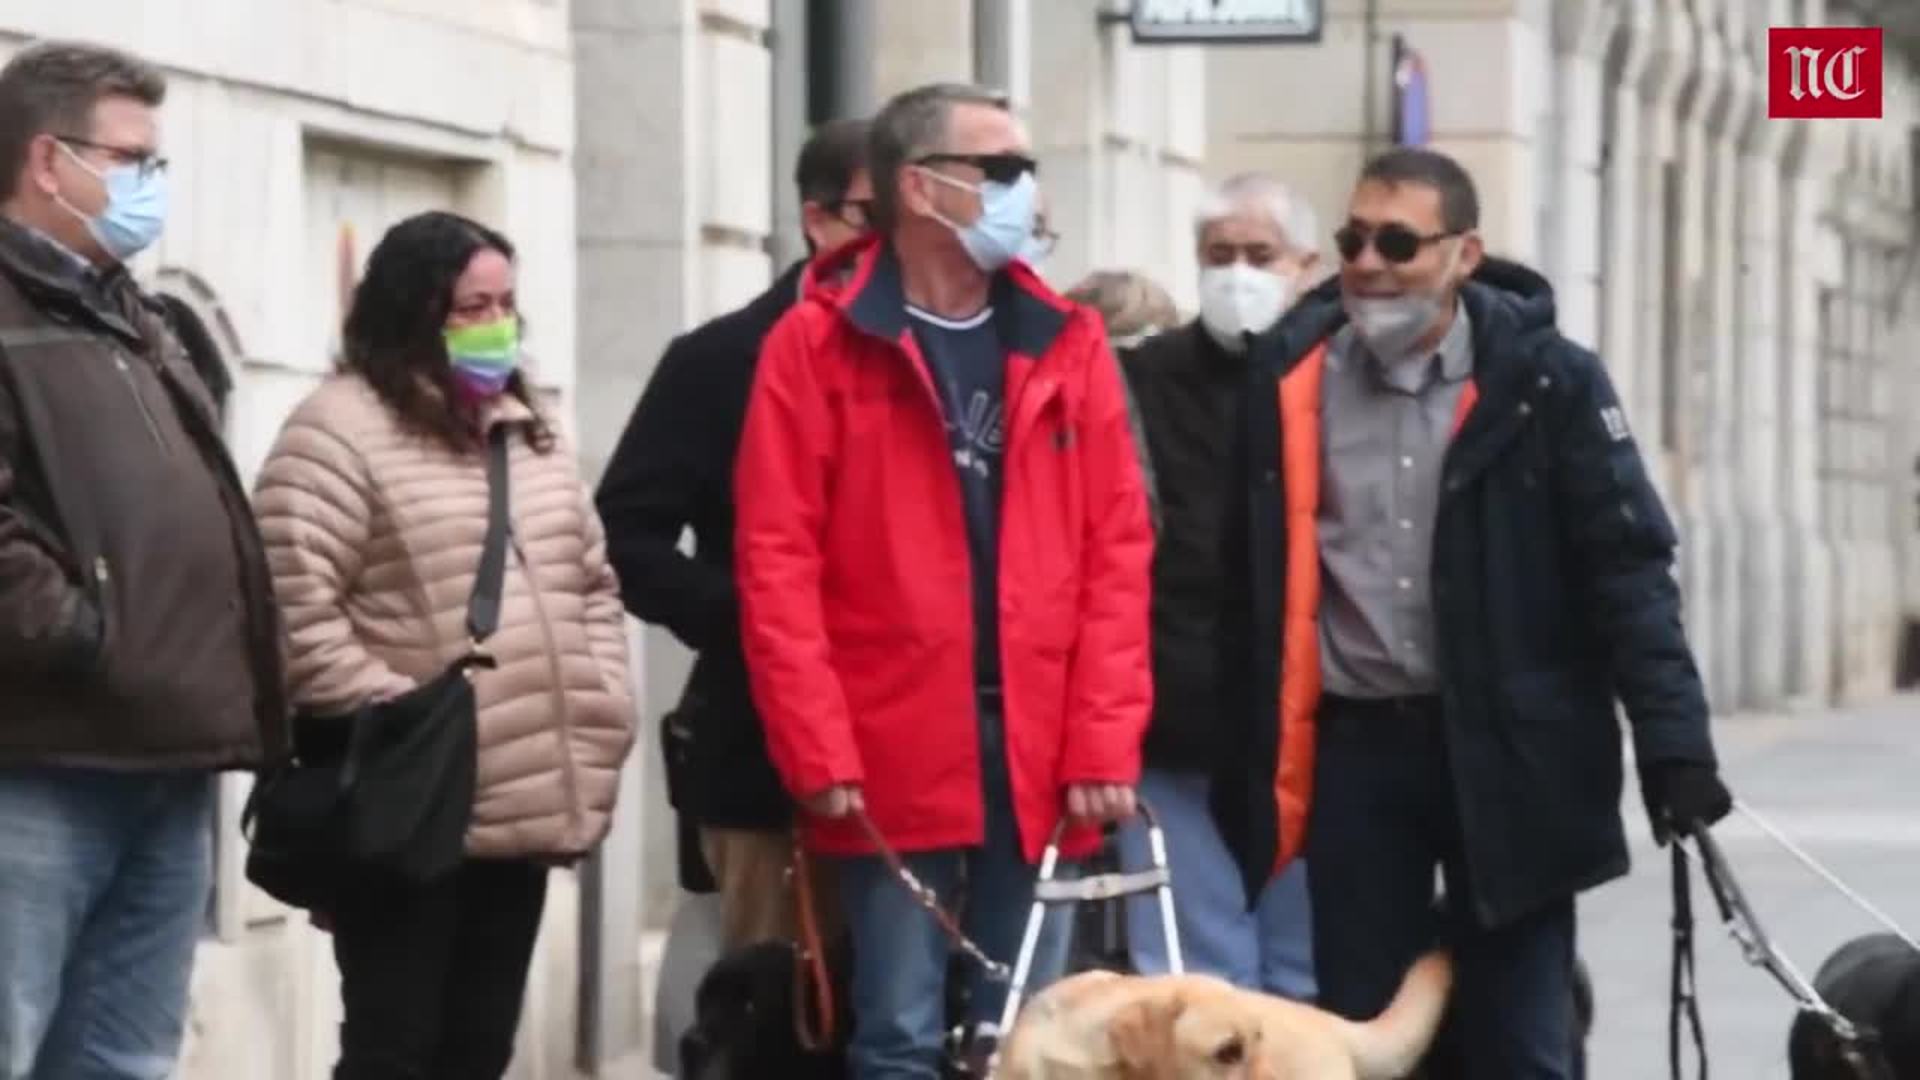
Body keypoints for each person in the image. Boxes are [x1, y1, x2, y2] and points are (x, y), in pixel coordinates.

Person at [1213, 146, 1733, 1076]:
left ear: (1464, 254)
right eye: (1353, 239)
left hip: (1510, 753)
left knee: (1521, 1038)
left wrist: (1675, 745)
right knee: (1365, 1032)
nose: (1368, 264)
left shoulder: (1550, 382)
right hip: (1357, 751)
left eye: (1400, 242)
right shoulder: (1291, 373)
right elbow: (1246, 578)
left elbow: (1627, 570)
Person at [733, 82, 1153, 1078]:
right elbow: (775, 558)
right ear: (920, 189)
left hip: (1045, 744)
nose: (1025, 190)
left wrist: (1103, 737)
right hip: (888, 740)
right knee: (897, 1036)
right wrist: (815, 744)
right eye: (1000, 169)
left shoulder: (1070, 340)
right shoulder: (816, 343)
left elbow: (1117, 552)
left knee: (1030, 1040)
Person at [252, 211, 636, 1080]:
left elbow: (592, 584)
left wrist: (603, 701)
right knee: (396, 1050)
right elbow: (287, 603)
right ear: (413, 310)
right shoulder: (338, 431)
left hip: (525, 798)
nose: (495, 323)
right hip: (411, 800)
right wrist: (398, 709)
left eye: (506, 303)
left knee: (478, 1049)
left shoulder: (525, 428)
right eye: (471, 305)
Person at [0, 40, 288, 1078]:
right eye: (130, 158)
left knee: (126, 1059)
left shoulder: (138, 318)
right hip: (40, 766)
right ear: (47, 161)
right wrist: (94, 642)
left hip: (164, 762)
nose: (149, 185)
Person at [598, 118, 871, 957]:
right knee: (774, 1001)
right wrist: (757, 618)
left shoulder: (947, 350)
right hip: (762, 749)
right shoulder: (720, 362)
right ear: (818, 220)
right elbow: (625, 537)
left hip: (924, 758)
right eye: (873, 213)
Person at [1091, 176, 1324, 1002]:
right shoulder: (1144, 380)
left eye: (1259, 255)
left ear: (1305, 264)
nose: (1238, 273)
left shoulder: (1337, 374)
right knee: (1190, 978)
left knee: (1303, 976)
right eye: (1218, 255)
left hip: (1311, 720)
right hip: (1173, 712)